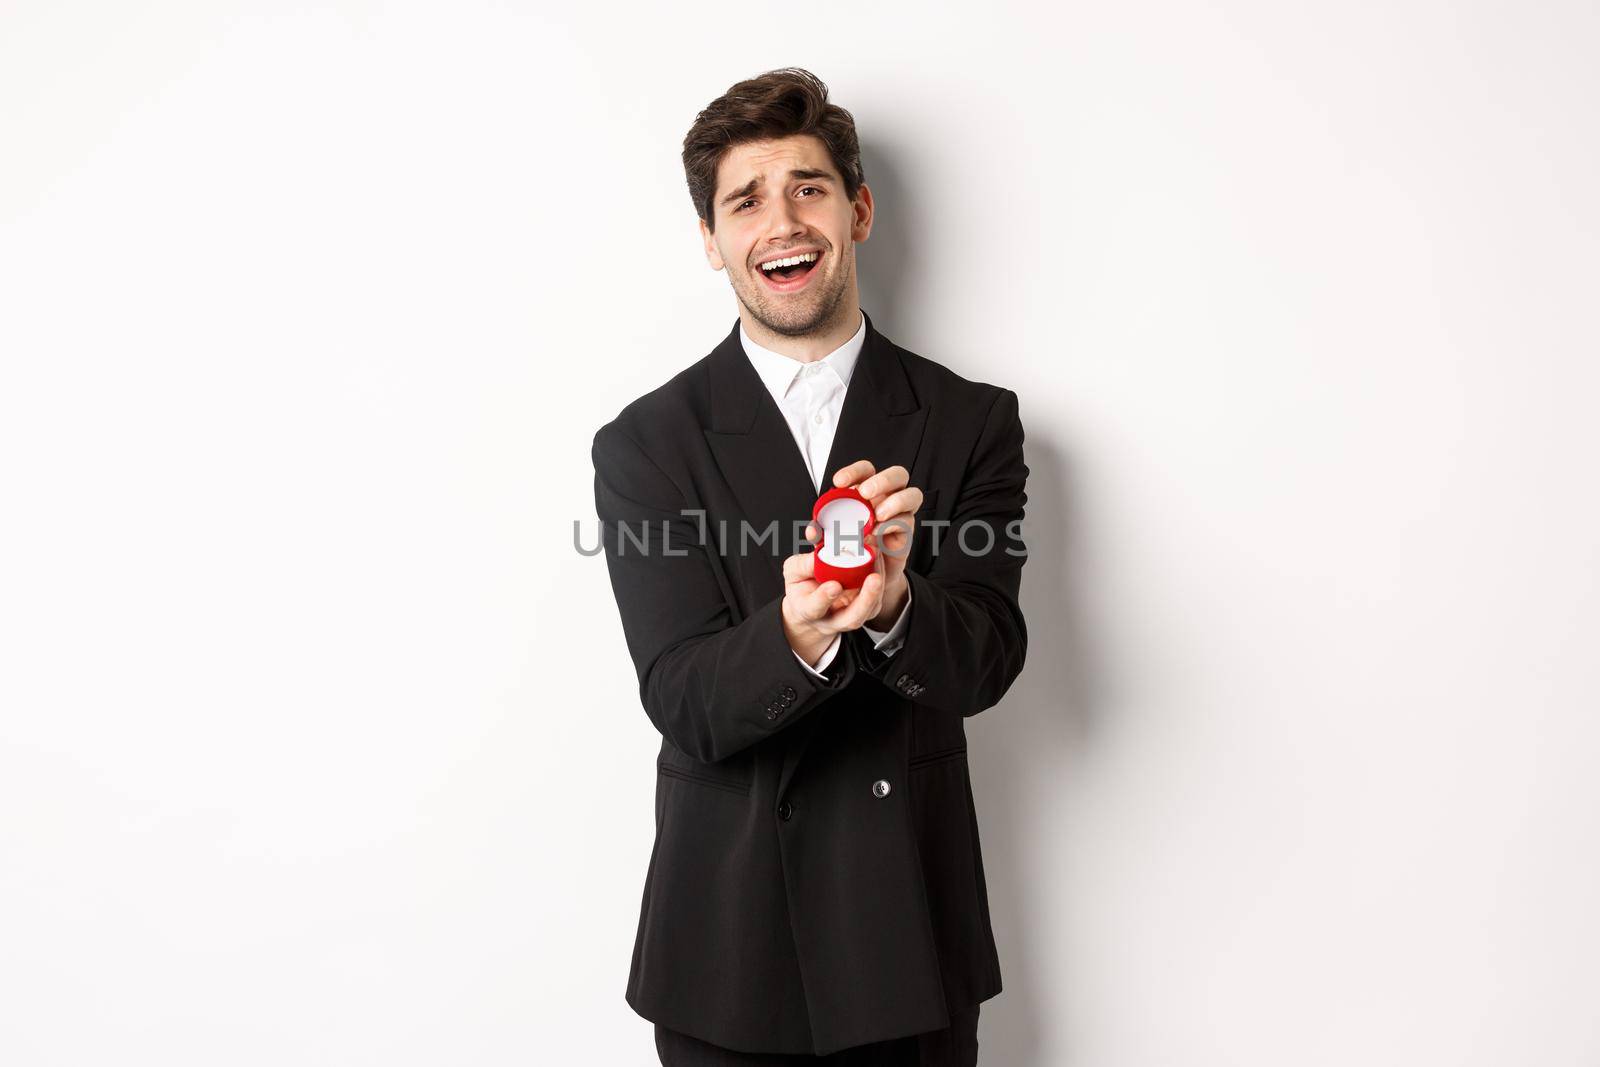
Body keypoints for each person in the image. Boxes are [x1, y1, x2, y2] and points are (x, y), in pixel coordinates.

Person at [591, 67, 1029, 1066]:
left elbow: (990, 661)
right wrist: (796, 632)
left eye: (808, 187)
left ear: (857, 209)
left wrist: (895, 607)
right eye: (744, 199)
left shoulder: (970, 421)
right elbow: (683, 698)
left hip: (908, 935)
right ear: (711, 240)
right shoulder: (647, 444)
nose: (780, 221)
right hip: (727, 948)